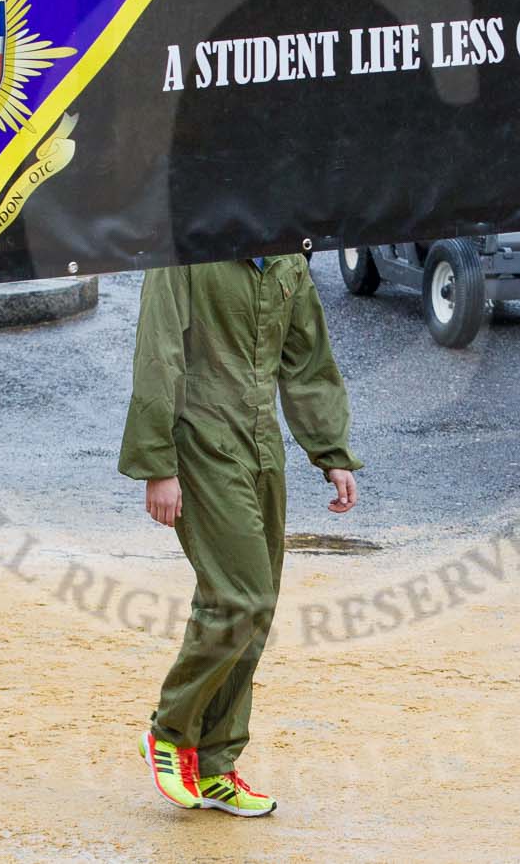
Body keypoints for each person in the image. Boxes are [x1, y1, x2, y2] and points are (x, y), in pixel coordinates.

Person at [124, 257, 361, 817]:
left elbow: (306, 361)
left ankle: (215, 765)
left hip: (261, 448)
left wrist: (331, 453)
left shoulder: (288, 259)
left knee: (257, 610)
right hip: (200, 443)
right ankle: (170, 735)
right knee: (237, 598)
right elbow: (158, 355)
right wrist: (159, 465)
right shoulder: (185, 254)